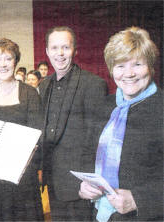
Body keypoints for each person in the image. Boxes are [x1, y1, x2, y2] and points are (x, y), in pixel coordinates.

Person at [78, 27, 163, 221]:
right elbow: (87, 155)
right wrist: (83, 186)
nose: (129, 74)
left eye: (138, 64)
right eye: (120, 66)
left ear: (150, 66)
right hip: (102, 216)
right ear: (111, 69)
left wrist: (138, 200)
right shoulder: (103, 106)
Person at [39, 26, 108, 221]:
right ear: (46, 52)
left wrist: (90, 182)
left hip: (81, 187)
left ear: (75, 50)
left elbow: (98, 140)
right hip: (52, 181)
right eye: (54, 48)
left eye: (65, 48)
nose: (59, 54)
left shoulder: (94, 84)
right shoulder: (44, 85)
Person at [0, 38, 44, 221]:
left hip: (22, 175)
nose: (3, 65)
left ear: (16, 61)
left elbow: (37, 135)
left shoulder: (30, 94)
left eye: (8, 59)